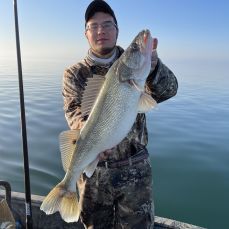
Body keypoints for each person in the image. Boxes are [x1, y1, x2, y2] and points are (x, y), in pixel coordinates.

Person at [62, 1, 178, 228]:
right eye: (93, 26)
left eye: (107, 25)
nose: (100, 31)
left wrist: (153, 66)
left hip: (135, 172)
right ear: (86, 33)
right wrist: (96, 138)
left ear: (117, 30)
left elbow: (169, 90)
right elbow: (73, 113)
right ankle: (64, 190)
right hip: (93, 175)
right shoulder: (74, 73)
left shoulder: (137, 65)